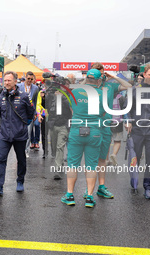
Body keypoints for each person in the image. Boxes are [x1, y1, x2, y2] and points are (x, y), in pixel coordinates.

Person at [83, 62, 132, 199]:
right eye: (97, 72)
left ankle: (101, 187)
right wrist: (89, 77)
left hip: (105, 127)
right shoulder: (87, 87)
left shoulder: (110, 85)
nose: (101, 75)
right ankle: (88, 189)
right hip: (91, 126)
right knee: (90, 160)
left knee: (102, 159)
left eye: (102, 72)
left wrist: (114, 76)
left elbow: (129, 86)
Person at [61, 69, 104, 208]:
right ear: (98, 80)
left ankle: (69, 195)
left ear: (86, 79)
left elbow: (71, 109)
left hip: (77, 130)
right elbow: (103, 112)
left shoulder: (75, 91)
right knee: (91, 165)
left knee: (73, 164)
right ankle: (90, 197)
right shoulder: (102, 94)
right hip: (94, 131)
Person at [0, 71, 35, 195]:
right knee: (1, 159)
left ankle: (20, 181)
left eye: (9, 80)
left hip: (20, 134)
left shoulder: (24, 96)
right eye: (5, 80)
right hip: (4, 134)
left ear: (15, 81)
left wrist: (24, 125)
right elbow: (0, 114)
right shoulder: (0, 97)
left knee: (21, 160)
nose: (7, 83)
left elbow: (31, 112)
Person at [126, 64, 150, 199]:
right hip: (137, 130)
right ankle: (134, 180)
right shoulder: (135, 90)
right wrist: (128, 121)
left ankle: (148, 188)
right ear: (144, 75)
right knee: (134, 158)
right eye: (149, 75)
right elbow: (127, 108)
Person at [44, 78, 72, 179]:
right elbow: (45, 106)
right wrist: (45, 95)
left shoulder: (69, 96)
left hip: (63, 125)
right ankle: (59, 163)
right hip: (53, 125)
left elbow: (71, 106)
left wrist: (62, 98)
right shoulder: (51, 95)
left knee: (60, 147)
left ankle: (57, 169)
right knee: (54, 148)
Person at [18, 71, 39, 153]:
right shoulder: (19, 86)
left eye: (31, 79)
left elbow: (36, 102)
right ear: (25, 78)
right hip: (20, 112)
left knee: (28, 133)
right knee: (20, 132)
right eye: (28, 78)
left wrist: (35, 113)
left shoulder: (35, 88)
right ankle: (20, 150)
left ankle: (25, 150)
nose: (29, 80)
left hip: (30, 113)